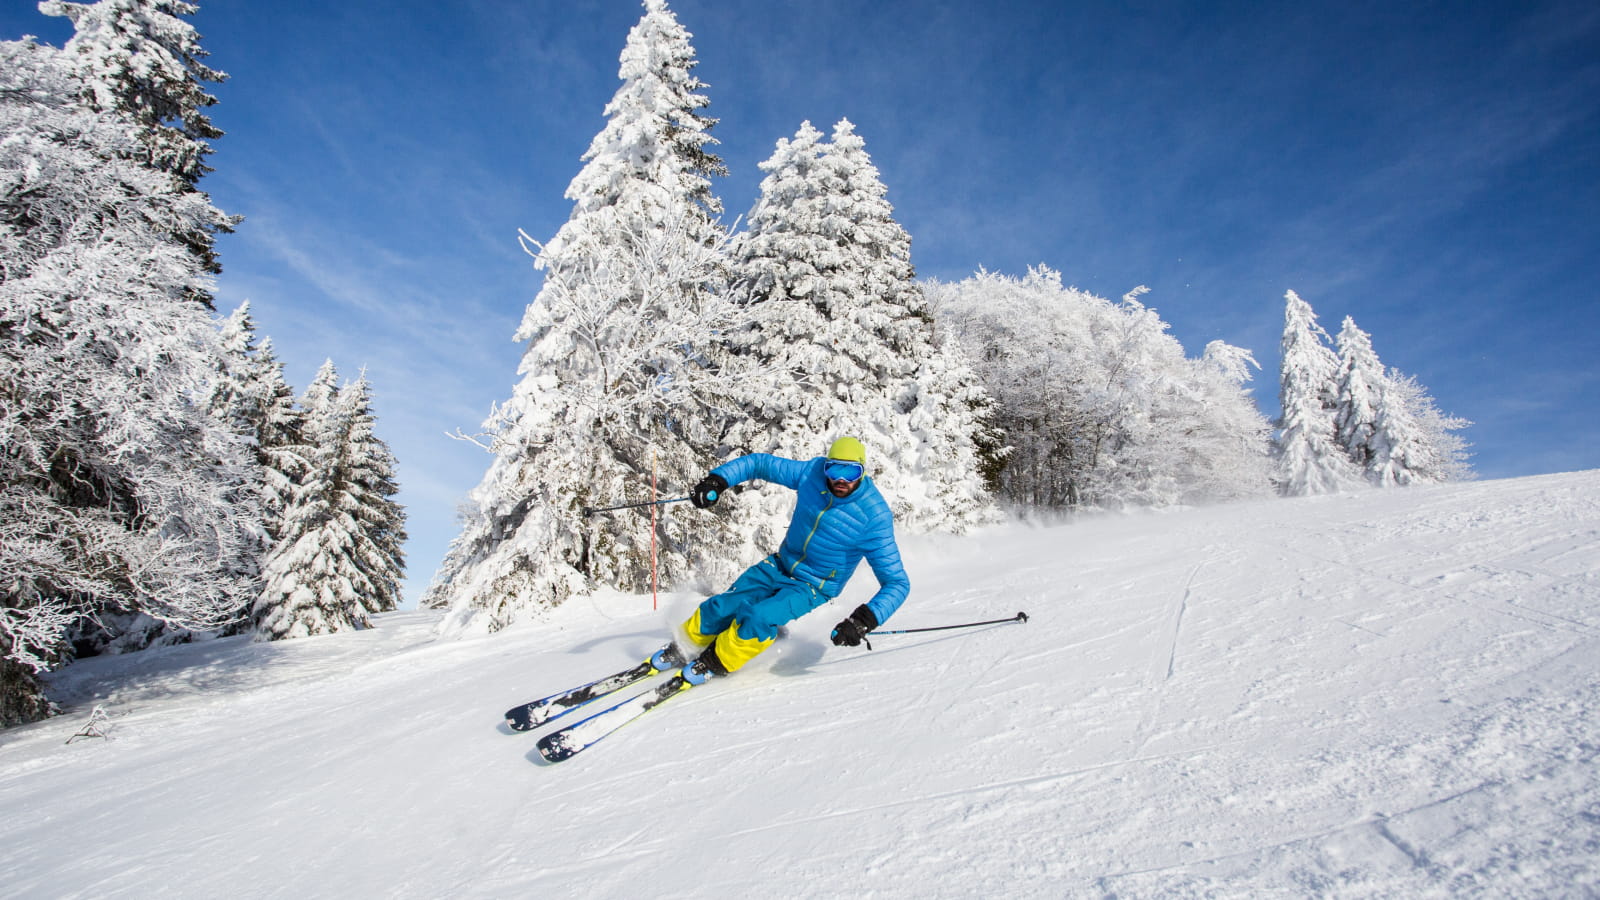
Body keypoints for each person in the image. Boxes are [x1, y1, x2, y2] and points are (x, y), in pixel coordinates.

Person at [654, 436, 910, 684]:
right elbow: (759, 464)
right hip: (781, 564)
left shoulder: (873, 517)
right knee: (723, 606)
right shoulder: (812, 474)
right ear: (826, 467)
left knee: (759, 616)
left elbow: (897, 583)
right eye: (834, 470)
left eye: (850, 473)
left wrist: (864, 620)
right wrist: (718, 481)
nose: (840, 480)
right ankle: (685, 643)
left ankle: (716, 661)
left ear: (862, 473)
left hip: (813, 586)